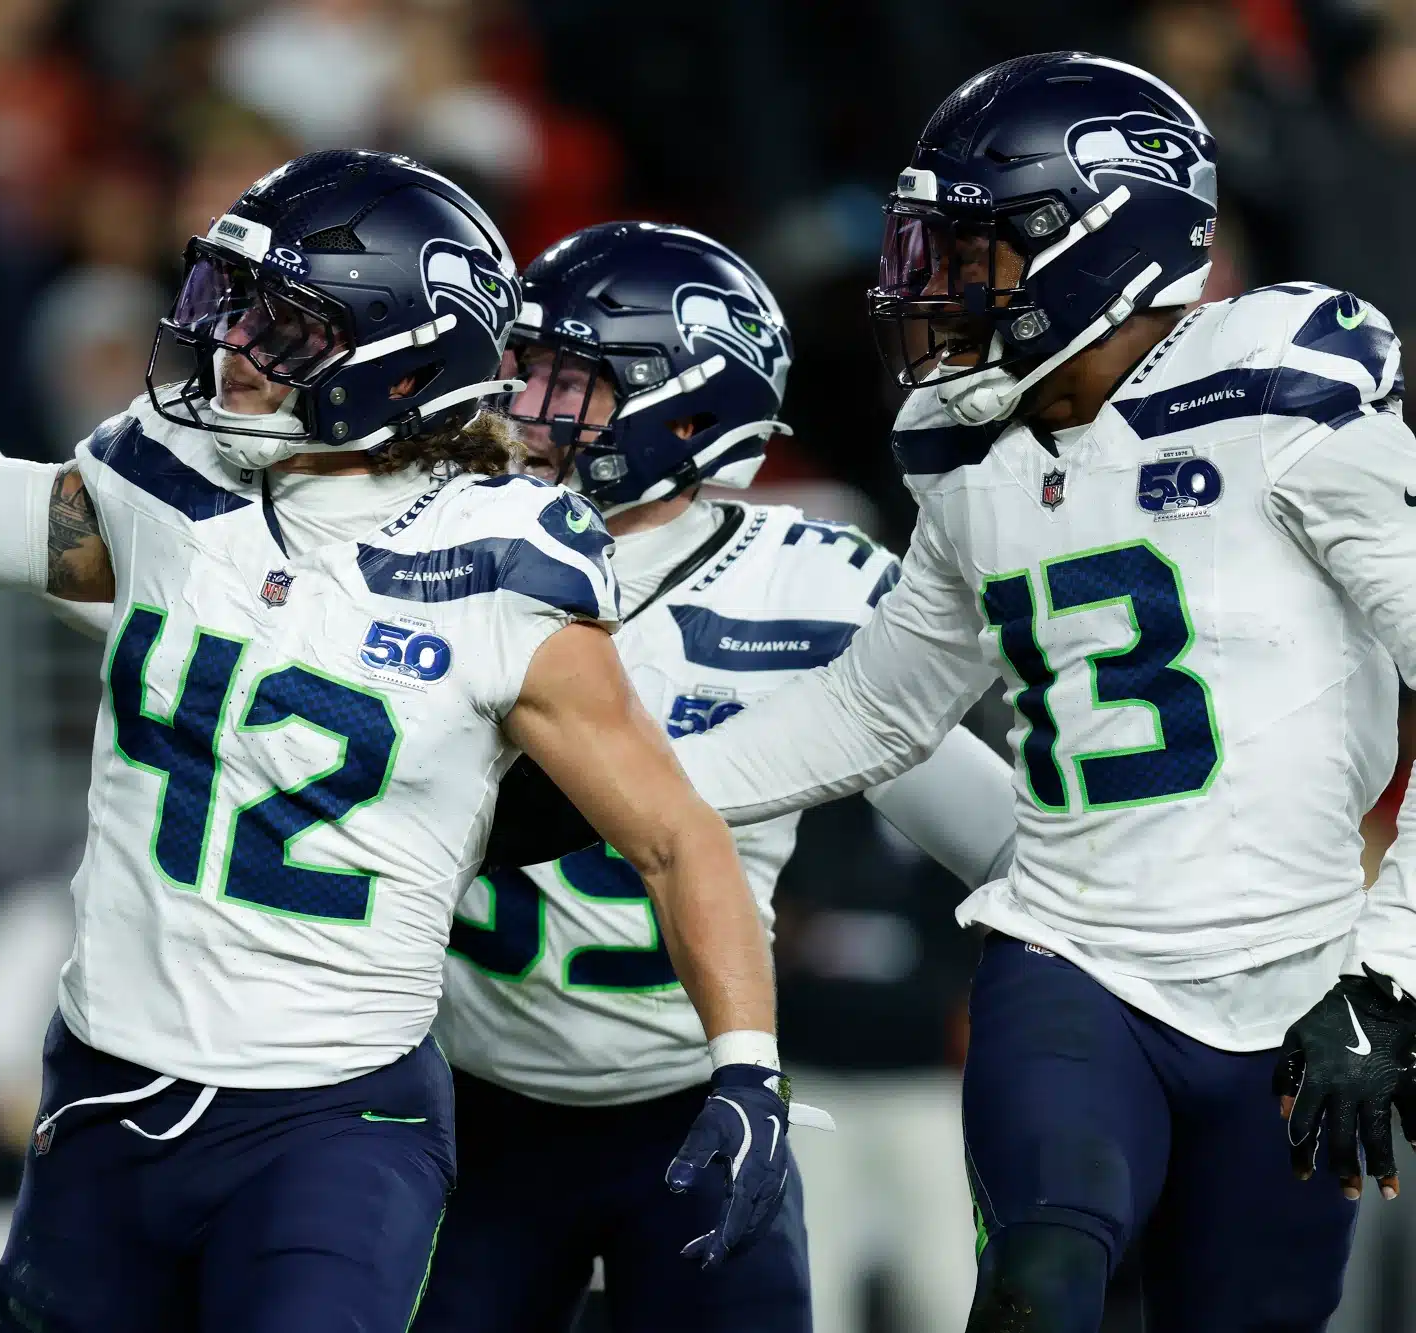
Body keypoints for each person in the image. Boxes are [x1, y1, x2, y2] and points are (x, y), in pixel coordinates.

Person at [0, 149, 792, 1333]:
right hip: (107, 1087)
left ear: (400, 363)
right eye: (238, 303)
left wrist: (744, 1067)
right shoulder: (168, 473)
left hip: (333, 1120)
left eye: (285, 324)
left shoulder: (506, 564)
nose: (233, 341)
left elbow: (673, 834)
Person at [558, 53, 1416, 1333]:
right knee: (1036, 1283)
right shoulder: (971, 448)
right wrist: (618, 794)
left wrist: (1390, 970)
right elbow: (877, 706)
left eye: (971, 250)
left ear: (1101, 237)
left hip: (1298, 969)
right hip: (1066, 953)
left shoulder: (1280, 403)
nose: (931, 285)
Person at [410, 221, 1014, 1333]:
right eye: (520, 366)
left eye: (566, 379)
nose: (521, 404)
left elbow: (996, 836)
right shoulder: (428, 539)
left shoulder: (806, 586)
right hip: (465, 1095)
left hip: (699, 1098)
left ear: (684, 410)